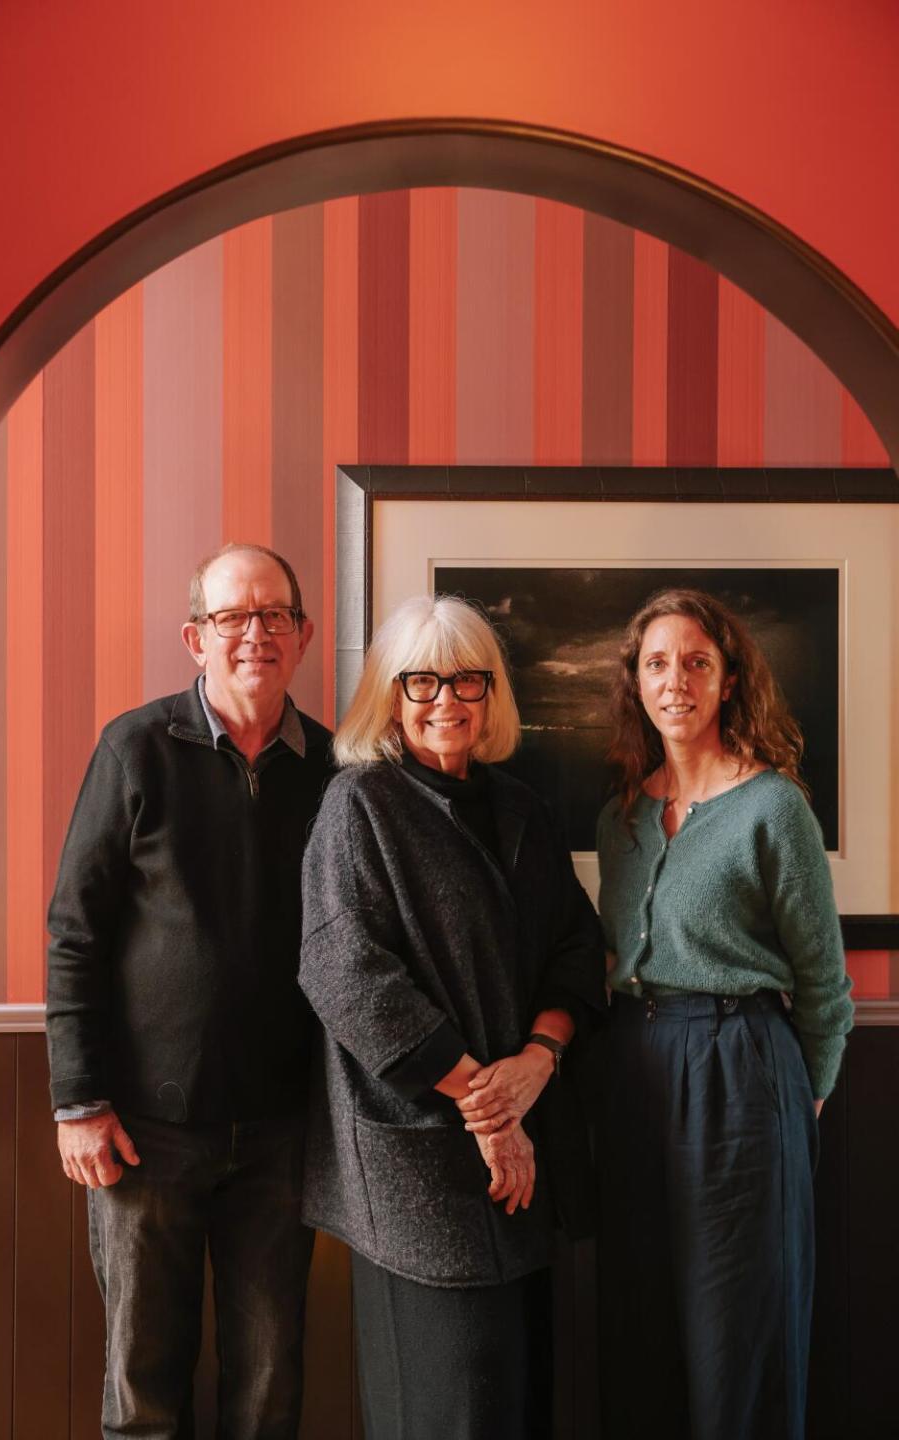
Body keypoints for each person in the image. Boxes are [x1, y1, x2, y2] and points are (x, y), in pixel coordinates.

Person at [298, 593, 605, 1440]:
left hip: (525, 1155)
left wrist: (540, 1058)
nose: (447, 701)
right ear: (389, 697)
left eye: (468, 679)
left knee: (516, 1400)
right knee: (448, 1408)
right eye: (421, 681)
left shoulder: (522, 808)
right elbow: (345, 975)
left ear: (492, 693)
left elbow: (579, 947)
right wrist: (487, 1108)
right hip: (420, 1162)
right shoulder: (358, 807)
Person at [46, 542, 332, 1440]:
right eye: (231, 618)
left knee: (269, 1386)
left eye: (274, 616)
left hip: (282, 1133)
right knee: (144, 1388)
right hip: (144, 1131)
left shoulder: (335, 767)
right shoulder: (135, 749)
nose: (255, 635)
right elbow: (74, 933)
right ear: (195, 637)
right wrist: (77, 1100)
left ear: (304, 633)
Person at [594, 586, 854, 1440]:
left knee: (735, 1319)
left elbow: (823, 981)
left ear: (729, 680)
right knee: (641, 1308)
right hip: (634, 1070)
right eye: (658, 664)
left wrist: (798, 1094)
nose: (677, 682)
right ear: (636, 682)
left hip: (744, 1068)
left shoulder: (774, 807)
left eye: (697, 663)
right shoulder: (621, 817)